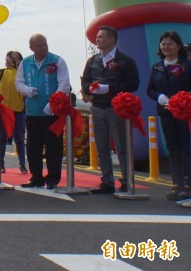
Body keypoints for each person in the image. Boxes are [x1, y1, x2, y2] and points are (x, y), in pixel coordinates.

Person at [80, 26, 140, 194]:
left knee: (121, 146)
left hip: (117, 107)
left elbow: (133, 83)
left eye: (101, 37)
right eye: (97, 37)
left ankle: (128, 180)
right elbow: (85, 81)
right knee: (101, 146)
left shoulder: (125, 61)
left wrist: (110, 88)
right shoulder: (93, 61)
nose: (97, 40)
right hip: (98, 107)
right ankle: (107, 181)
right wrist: (91, 88)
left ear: (112, 39)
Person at [15, 35, 71, 189]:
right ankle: (36, 177)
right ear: (31, 47)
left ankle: (53, 178)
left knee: (53, 146)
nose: (43, 48)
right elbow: (18, 82)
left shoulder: (57, 61)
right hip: (32, 113)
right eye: (39, 46)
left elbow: (64, 84)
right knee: (33, 147)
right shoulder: (25, 63)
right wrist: (27, 90)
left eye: (44, 45)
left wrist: (54, 101)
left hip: (52, 113)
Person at [146, 31, 191, 200]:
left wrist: (185, 98)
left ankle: (188, 184)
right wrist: (159, 97)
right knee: (173, 148)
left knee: (187, 148)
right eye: (163, 44)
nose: (166, 47)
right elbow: (150, 89)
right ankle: (177, 184)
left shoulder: (187, 65)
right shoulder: (157, 66)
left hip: (185, 113)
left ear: (178, 46)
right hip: (166, 112)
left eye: (170, 44)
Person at [0, 50, 26, 174]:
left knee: (19, 138)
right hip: (3, 110)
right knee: (2, 138)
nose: (6, 59)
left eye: (9, 57)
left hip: (18, 110)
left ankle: (22, 165)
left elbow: (24, 75)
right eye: (7, 57)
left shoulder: (21, 72)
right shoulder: (2, 73)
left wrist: (18, 62)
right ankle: (1, 165)